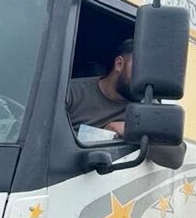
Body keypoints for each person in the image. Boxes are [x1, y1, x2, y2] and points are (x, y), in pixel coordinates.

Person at [67, 39, 185, 169]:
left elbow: (176, 158)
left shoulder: (148, 105)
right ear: (119, 64)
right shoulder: (70, 93)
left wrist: (131, 129)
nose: (145, 80)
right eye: (142, 70)